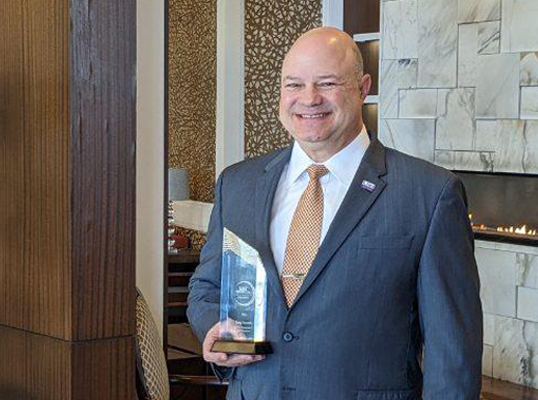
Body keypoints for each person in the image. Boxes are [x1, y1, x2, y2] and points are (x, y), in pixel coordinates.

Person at [187, 27, 482, 400]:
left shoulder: (430, 193)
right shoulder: (238, 184)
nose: (309, 99)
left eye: (326, 83)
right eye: (294, 85)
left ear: (362, 88)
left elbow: (452, 352)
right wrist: (214, 325)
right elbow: (207, 286)